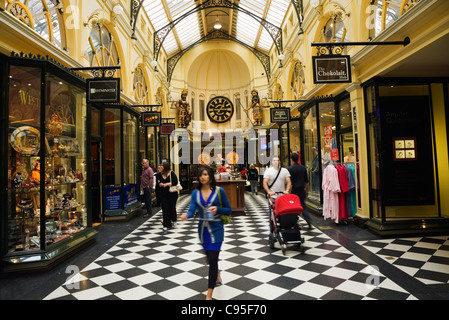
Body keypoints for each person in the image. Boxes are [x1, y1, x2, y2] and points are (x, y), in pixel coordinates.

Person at [181, 166, 232, 300]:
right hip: (203, 231)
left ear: (210, 176)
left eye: (205, 174)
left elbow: (228, 209)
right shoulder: (195, 193)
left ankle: (209, 294)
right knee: (210, 259)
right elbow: (192, 209)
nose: (203, 177)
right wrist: (187, 215)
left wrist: (218, 209)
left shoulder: (219, 191)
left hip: (216, 229)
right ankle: (217, 274)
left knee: (213, 259)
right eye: (200, 175)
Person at [288, 153, 313, 230]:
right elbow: (306, 180)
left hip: (294, 190)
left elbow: (289, 181)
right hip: (301, 189)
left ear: (291, 160)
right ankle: (308, 218)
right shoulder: (303, 168)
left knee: (293, 206)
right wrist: (306, 189)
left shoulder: (290, 169)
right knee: (303, 205)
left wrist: (289, 191)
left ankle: (295, 223)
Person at [156, 162, 179, 231]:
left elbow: (175, 182)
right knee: (165, 208)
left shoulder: (171, 173)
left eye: (162, 166)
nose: (160, 167)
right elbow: (158, 182)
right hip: (163, 194)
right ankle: (166, 224)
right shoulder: (159, 174)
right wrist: (160, 184)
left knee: (172, 207)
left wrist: (166, 184)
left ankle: (174, 219)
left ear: (165, 167)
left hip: (172, 194)